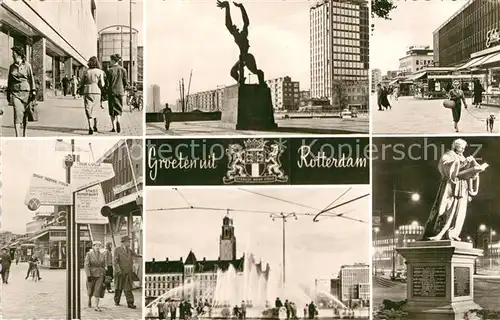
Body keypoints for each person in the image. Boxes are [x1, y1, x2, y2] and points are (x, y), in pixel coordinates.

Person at [422, 139, 486, 241]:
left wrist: (474, 169)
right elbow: (446, 167)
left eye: (464, 148)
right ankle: (440, 233)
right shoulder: (448, 155)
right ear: (455, 146)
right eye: (461, 147)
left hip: (463, 188)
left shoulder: (463, 157)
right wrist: (463, 163)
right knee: (447, 209)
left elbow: (467, 173)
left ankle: (454, 232)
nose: (463, 149)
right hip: (451, 186)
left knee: (460, 212)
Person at [217, 1, 265, 85]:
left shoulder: (242, 34)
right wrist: (227, 8)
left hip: (247, 57)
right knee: (233, 72)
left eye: (234, 28)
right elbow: (228, 25)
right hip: (242, 58)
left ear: (237, 30)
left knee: (254, 71)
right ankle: (241, 80)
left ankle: (261, 82)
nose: (233, 29)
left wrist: (241, 7)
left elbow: (246, 22)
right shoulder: (237, 36)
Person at [6, 45, 36, 137]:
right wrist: (8, 93)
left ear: (18, 54)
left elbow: (31, 79)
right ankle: (17, 137)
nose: (12, 55)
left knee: (25, 115)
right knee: (17, 114)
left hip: (26, 93)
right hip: (15, 93)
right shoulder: (12, 67)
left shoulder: (27, 65)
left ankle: (24, 134)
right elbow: (9, 81)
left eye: (13, 54)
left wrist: (33, 90)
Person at [80, 56, 105, 135]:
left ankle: (90, 126)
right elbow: (103, 84)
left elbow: (82, 82)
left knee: (88, 108)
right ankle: (95, 126)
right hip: (97, 91)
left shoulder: (86, 71)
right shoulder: (100, 71)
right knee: (96, 108)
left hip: (87, 91)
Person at [114, 235, 139, 308]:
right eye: (128, 241)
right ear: (124, 242)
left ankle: (130, 303)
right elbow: (115, 262)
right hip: (120, 272)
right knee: (118, 288)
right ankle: (117, 300)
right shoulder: (117, 250)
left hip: (128, 272)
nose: (129, 242)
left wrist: (141, 255)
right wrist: (118, 270)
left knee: (128, 288)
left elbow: (135, 254)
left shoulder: (129, 250)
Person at [105, 53, 128, 133]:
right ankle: (118, 121)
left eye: (110, 60)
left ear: (113, 60)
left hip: (112, 92)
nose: (109, 61)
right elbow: (125, 82)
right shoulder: (123, 70)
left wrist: (105, 91)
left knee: (112, 110)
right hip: (120, 92)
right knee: (119, 108)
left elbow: (107, 83)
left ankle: (114, 127)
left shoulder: (109, 70)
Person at [84, 241, 106, 311]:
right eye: (96, 246)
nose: (97, 247)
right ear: (93, 247)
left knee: (98, 290)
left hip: (100, 275)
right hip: (91, 275)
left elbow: (103, 265)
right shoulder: (89, 254)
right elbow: (86, 265)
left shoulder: (102, 255)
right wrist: (88, 275)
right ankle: (89, 299)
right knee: (90, 290)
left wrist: (104, 274)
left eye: (99, 246)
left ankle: (96, 306)